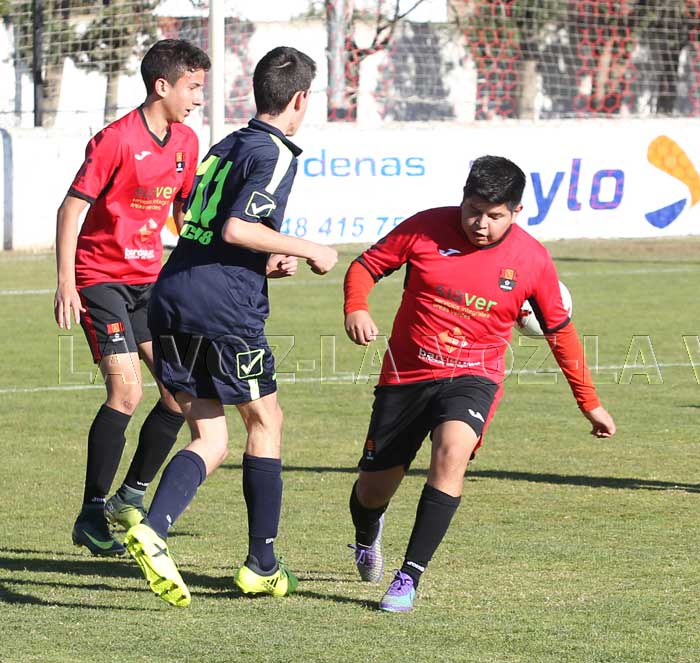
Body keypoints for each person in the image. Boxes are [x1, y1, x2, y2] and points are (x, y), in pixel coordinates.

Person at [343, 155, 616, 613]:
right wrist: (356, 306)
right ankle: (368, 533)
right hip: (407, 376)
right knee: (372, 491)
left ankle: (409, 577)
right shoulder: (425, 227)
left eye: (494, 216)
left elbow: (560, 332)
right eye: (473, 211)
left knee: (451, 454)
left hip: (473, 377)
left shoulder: (532, 260)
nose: (481, 225)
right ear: (463, 199)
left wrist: (589, 402)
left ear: (516, 212)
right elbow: (365, 267)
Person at [122, 46, 338, 608]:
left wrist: (264, 263)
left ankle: (153, 529)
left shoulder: (227, 145)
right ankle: (261, 564)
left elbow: (206, 228)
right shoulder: (276, 152)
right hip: (223, 311)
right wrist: (309, 248)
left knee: (211, 437)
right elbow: (239, 228)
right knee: (265, 420)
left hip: (174, 294)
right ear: (300, 99)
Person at [53, 39, 211, 556]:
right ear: (162, 86)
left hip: (150, 283)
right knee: (126, 392)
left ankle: (130, 496)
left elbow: (184, 213)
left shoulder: (186, 141)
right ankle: (91, 513)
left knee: (178, 393)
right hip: (100, 279)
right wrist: (66, 281)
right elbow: (70, 210)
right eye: (193, 87)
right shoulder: (115, 140)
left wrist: (204, 262)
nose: (199, 98)